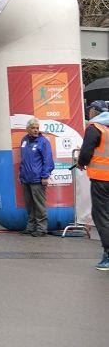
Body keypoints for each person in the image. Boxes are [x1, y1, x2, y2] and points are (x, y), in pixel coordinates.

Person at [78, 100, 109, 270]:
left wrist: (81, 163)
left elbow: (86, 151)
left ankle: (108, 255)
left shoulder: (95, 127)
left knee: (102, 216)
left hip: (101, 179)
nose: (88, 113)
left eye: (90, 110)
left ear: (95, 112)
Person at [18, 117, 54, 237]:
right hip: (26, 178)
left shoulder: (43, 142)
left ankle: (41, 229)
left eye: (37, 128)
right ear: (27, 129)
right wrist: (21, 174)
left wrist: (45, 176)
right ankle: (30, 227)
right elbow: (22, 159)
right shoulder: (24, 140)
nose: (35, 130)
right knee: (29, 205)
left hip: (37, 178)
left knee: (39, 205)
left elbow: (48, 160)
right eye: (33, 128)